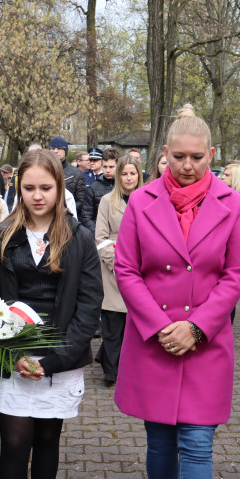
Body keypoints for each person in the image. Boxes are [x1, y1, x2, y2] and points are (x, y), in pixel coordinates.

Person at [113, 104, 240, 479]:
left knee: (197, 444)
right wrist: (158, 326)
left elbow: (237, 273)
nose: (188, 165)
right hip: (154, 342)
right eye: (179, 156)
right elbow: (127, 270)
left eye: (197, 157)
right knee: (160, 443)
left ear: (211, 155)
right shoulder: (141, 202)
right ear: (165, 155)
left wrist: (197, 328)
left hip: (205, 344)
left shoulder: (231, 204)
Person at [0, 149, 103, 479]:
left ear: (59, 188)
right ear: (20, 188)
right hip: (13, 356)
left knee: (48, 440)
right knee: (15, 442)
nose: (37, 196)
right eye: (29, 188)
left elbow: (88, 306)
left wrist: (53, 361)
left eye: (45, 188)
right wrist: (13, 355)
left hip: (59, 358)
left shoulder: (79, 238)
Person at [95, 155, 142, 385]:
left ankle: (128, 368)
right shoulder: (107, 201)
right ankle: (111, 372)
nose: (129, 177)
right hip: (113, 269)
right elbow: (101, 237)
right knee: (113, 325)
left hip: (142, 271)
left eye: (133, 173)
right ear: (118, 176)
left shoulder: (149, 199)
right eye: (124, 173)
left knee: (134, 327)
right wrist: (115, 264)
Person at [48, 137, 91, 225]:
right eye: (53, 148)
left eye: (59, 148)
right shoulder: (43, 171)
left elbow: (81, 200)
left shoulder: (77, 173)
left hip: (68, 220)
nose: (55, 151)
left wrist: (66, 212)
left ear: (65, 151)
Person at [85, 147, 120, 231]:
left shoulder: (124, 187)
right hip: (98, 233)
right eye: (105, 167)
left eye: (111, 167)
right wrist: (97, 234)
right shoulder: (93, 188)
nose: (108, 170)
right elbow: (87, 216)